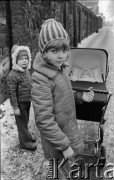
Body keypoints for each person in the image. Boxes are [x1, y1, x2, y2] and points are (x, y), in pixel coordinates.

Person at [31, 19, 94, 179]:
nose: (61, 55)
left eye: (64, 50)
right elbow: (44, 120)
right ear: (44, 52)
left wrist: (80, 96)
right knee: (58, 170)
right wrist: (64, 145)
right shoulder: (41, 79)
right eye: (54, 51)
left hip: (67, 131)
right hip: (57, 140)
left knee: (63, 169)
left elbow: (64, 94)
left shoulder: (60, 69)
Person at [6, 45, 37, 151]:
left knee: (25, 121)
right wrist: (15, 107)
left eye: (26, 58)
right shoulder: (13, 75)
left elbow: (29, 84)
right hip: (20, 103)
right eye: (21, 59)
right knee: (22, 124)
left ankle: (26, 137)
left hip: (27, 101)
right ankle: (25, 143)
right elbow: (12, 92)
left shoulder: (26, 71)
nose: (24, 61)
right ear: (15, 60)